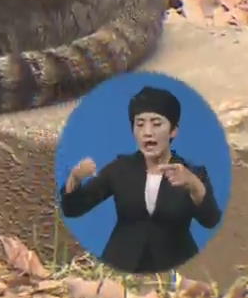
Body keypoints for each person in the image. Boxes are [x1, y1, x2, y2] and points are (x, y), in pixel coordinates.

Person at [60, 86, 222, 274]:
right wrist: (75, 178)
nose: (147, 132)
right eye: (140, 124)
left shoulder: (192, 173)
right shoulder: (120, 169)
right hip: (122, 265)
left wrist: (194, 186)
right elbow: (73, 209)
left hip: (175, 267)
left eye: (156, 124)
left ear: (173, 131)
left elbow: (210, 220)